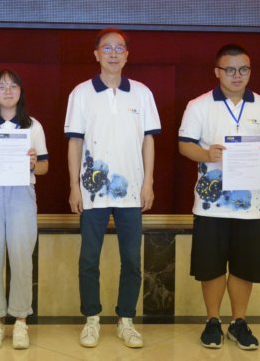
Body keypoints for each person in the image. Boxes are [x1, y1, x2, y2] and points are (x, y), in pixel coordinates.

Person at [178, 44, 260, 351]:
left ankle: (238, 322)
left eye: (244, 69)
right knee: (211, 266)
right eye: (230, 70)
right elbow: (185, 145)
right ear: (217, 72)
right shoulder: (199, 105)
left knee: (244, 266)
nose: (237, 76)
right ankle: (213, 320)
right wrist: (206, 154)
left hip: (252, 206)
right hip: (211, 205)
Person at [64, 28, 161, 349]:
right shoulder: (81, 93)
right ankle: (91, 319)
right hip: (92, 190)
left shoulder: (142, 93)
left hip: (132, 191)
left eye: (120, 48)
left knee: (131, 259)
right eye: (107, 48)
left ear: (127, 55)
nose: (113, 53)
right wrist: (74, 186)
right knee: (89, 258)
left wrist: (148, 182)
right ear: (96, 54)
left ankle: (126, 320)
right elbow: (74, 142)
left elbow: (148, 141)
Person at [0, 69, 49, 350]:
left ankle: (21, 320)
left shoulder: (32, 126)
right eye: (2, 87)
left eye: (13, 86)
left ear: (20, 91)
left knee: (21, 256)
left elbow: (44, 167)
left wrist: (33, 163)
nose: (8, 91)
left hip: (21, 194)